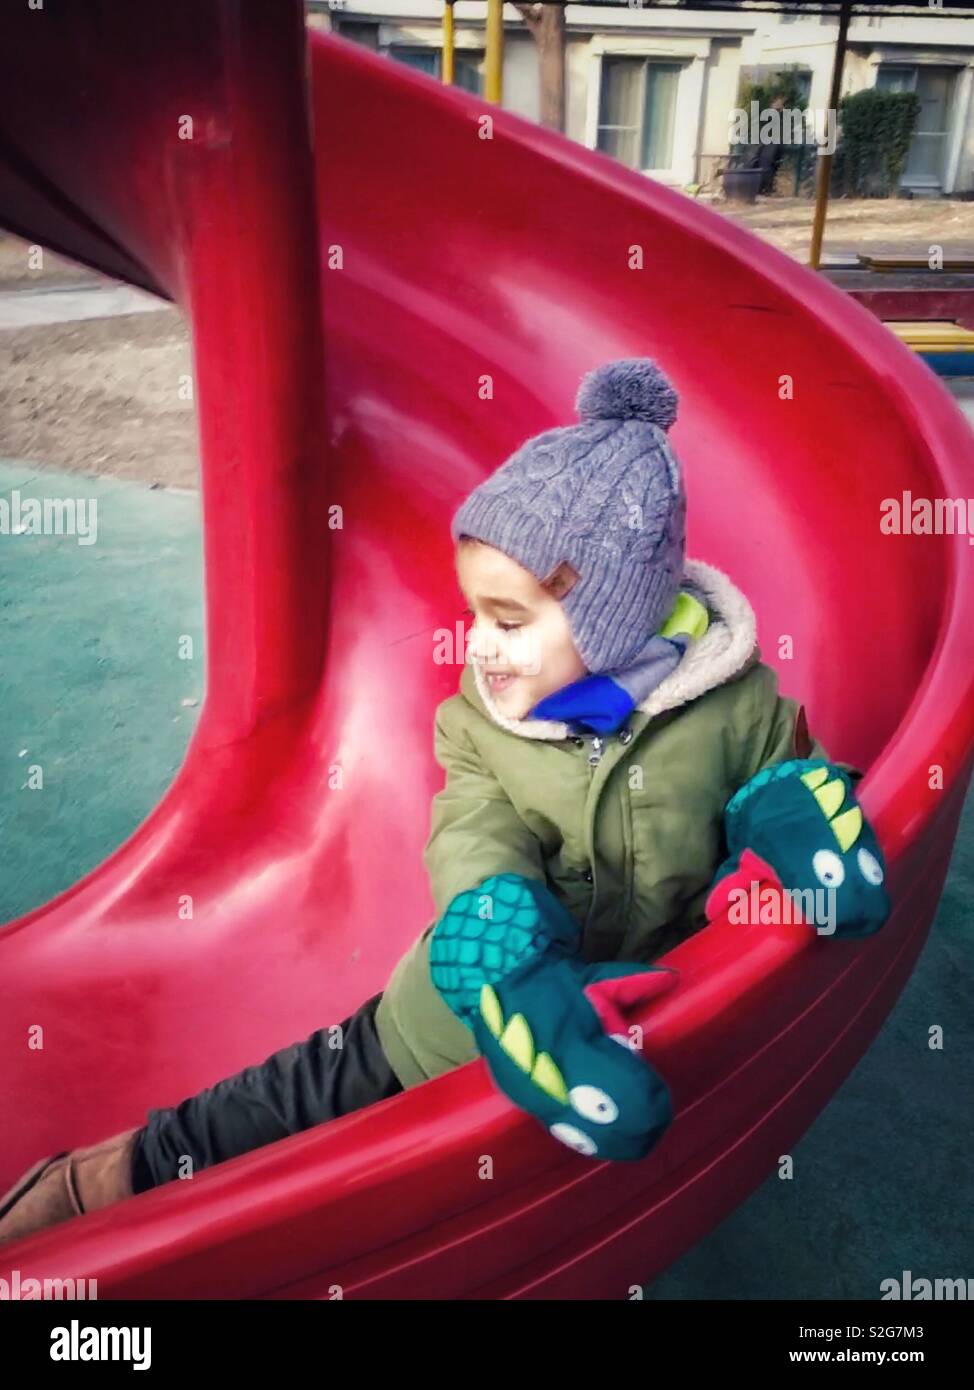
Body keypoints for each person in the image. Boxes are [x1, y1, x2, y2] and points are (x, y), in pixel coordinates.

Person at [0, 357, 887, 1240]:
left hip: (631, 1019)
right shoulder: (483, 726)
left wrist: (790, 822)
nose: (482, 648)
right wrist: (505, 952)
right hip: (459, 1010)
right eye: (475, 615)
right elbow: (475, 842)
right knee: (305, 1096)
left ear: (615, 617)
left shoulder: (733, 703)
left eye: (509, 620)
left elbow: (787, 775)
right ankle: (111, 1176)